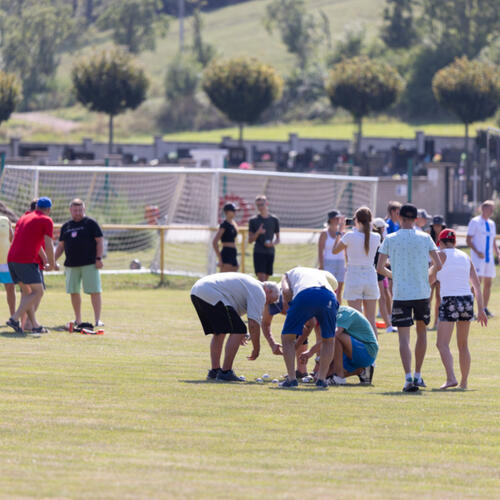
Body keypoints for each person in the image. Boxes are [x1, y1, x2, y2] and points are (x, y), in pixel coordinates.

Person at [377, 203, 442, 393]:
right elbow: (438, 264)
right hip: (422, 292)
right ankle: (418, 375)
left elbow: (380, 268)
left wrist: (394, 275)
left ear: (400, 217)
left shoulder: (390, 238)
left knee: (403, 339)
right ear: (415, 219)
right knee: (422, 333)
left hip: (401, 294)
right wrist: (426, 274)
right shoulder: (425, 237)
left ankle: (407, 378)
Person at [190, 272, 279, 381]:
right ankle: (226, 372)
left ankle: (215, 371)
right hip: (210, 292)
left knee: (220, 331)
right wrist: (256, 349)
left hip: (197, 291)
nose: (267, 304)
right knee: (239, 329)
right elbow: (253, 324)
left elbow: (233, 315)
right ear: (268, 291)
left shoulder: (251, 285)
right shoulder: (259, 292)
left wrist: (238, 333)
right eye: (269, 301)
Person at [430, 229, 487, 390]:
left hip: (450, 300)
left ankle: (450, 378)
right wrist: (481, 309)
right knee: (463, 345)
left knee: (442, 344)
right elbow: (476, 286)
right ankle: (464, 383)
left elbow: (431, 279)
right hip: (467, 300)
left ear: (440, 243)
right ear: (454, 242)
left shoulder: (440, 256)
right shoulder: (465, 257)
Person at [279, 266, 338, 389]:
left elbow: (286, 292)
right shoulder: (319, 274)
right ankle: (321, 380)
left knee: (287, 338)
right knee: (329, 340)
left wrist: (293, 308)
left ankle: (291, 379)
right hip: (329, 296)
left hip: (305, 295)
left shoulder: (287, 274)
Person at [6, 197, 56, 334]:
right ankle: (14, 319)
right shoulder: (46, 220)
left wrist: (46, 260)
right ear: (49, 209)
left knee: (28, 293)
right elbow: (48, 244)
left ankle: (34, 324)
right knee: (38, 291)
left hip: (11, 259)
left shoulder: (24, 217)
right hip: (25, 260)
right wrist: (51, 264)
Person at [54, 199, 104, 328]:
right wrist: (53, 260)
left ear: (84, 210)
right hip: (71, 265)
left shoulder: (91, 223)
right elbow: (61, 246)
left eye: (80, 210)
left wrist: (99, 258)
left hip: (89, 264)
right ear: (70, 210)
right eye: (75, 210)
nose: (78, 212)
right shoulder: (66, 226)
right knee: (74, 291)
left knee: (95, 291)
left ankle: (98, 320)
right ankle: (78, 319)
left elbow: (99, 241)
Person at [299, 305, 379, 386]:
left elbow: (334, 335)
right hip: (352, 352)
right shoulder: (331, 317)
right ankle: (363, 370)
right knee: (323, 375)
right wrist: (317, 372)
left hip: (367, 351)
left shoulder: (344, 313)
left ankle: (339, 378)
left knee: (335, 337)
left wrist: (310, 352)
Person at [332, 207, 380, 336]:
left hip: (354, 276)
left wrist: (339, 232)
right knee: (371, 320)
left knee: (356, 319)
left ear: (357, 220)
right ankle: (372, 351)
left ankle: (358, 351)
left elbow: (335, 250)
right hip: (370, 276)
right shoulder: (376, 236)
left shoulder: (349, 236)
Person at [263, 291, 319, 379]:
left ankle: (319, 372)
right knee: (294, 332)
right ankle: (301, 371)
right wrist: (272, 343)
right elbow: (265, 324)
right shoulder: (271, 300)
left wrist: (296, 346)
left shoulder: (299, 302)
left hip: (319, 303)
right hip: (303, 304)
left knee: (324, 337)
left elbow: (309, 325)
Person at [466, 200, 499, 317]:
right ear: (483, 208)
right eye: (490, 208)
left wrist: (498, 254)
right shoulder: (475, 222)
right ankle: (468, 308)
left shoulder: (492, 223)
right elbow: (468, 240)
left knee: (488, 283)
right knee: (476, 283)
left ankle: (484, 308)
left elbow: (493, 241)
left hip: (488, 259)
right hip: (477, 258)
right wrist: (477, 252)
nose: (492, 211)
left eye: (492, 209)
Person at [248, 195, 280, 281]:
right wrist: (258, 232)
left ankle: (265, 295)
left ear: (267, 204)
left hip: (270, 252)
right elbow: (250, 240)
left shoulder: (274, 220)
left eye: (262, 204)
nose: (260, 207)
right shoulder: (253, 220)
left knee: (266, 280)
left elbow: (278, 239)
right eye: (258, 205)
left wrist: (271, 244)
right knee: (261, 280)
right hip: (259, 252)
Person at [372, 218, 396, 333]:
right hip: (378, 273)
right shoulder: (377, 239)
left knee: (385, 295)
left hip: (381, 271)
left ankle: (390, 321)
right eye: (383, 227)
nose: (385, 229)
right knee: (381, 298)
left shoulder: (378, 239)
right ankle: (388, 325)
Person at [318, 210, 346, 303]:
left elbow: (346, 250)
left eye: (339, 218)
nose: (338, 220)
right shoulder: (324, 233)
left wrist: (347, 264)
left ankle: (338, 313)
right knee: (329, 290)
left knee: (339, 291)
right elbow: (320, 250)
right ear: (330, 219)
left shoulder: (343, 233)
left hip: (341, 263)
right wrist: (321, 265)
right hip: (328, 263)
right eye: (336, 218)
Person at [429, 215, 446, 330]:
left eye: (439, 225)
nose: (437, 228)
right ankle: (425, 321)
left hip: (441, 270)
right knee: (427, 297)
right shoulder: (428, 237)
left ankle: (436, 322)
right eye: (435, 225)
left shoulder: (445, 239)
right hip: (430, 269)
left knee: (439, 298)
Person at [212, 203, 239, 272]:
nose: (235, 212)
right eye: (233, 210)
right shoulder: (224, 225)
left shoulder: (233, 224)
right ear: (227, 212)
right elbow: (215, 242)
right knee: (224, 279)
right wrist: (220, 258)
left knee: (233, 278)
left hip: (233, 252)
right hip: (226, 253)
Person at [0, 213, 16, 317]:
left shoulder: (5, 219)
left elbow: (12, 238)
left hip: (5, 263)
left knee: (10, 288)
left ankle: (13, 317)